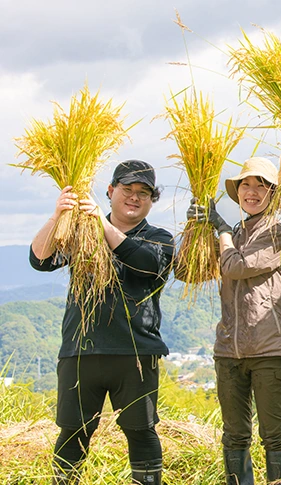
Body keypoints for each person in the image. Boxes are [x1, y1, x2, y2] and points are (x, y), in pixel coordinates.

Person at [30, 160, 173, 485]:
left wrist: (101, 224)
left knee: (142, 432)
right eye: (127, 189)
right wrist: (58, 216)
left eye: (143, 193)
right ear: (110, 191)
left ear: (152, 200)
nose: (134, 197)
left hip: (136, 354)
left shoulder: (158, 238)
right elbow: (40, 260)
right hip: (81, 351)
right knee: (72, 433)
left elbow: (148, 265)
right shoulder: (81, 231)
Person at [184, 157, 281, 485]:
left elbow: (236, 267)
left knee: (273, 436)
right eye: (246, 184)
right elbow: (188, 271)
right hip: (228, 353)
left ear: (273, 193)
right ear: (238, 192)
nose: (252, 191)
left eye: (261, 185)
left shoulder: (280, 233)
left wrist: (218, 226)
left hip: (271, 352)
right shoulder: (233, 233)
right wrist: (196, 230)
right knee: (234, 437)